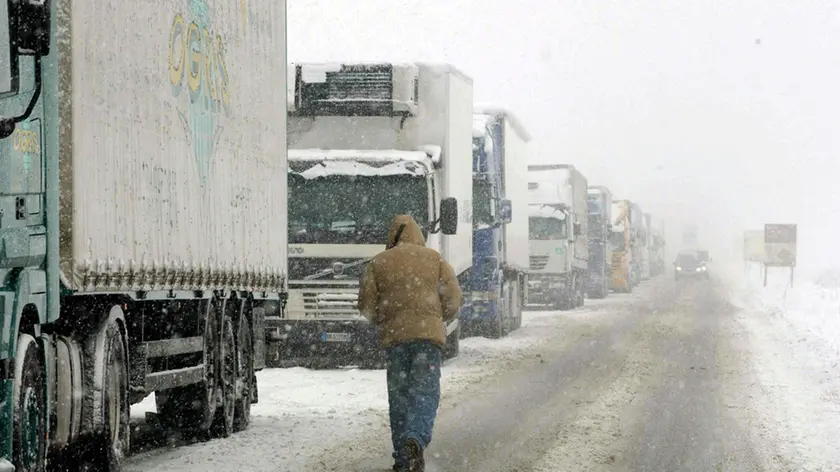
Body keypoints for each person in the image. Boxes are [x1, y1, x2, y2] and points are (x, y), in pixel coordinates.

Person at [358, 214, 462, 472]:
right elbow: (453, 297)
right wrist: (437, 318)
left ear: (391, 235)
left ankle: (403, 458)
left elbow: (366, 304)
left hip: (396, 339)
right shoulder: (434, 259)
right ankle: (416, 437)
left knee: (399, 397)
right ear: (418, 234)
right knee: (425, 391)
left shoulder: (379, 262)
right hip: (428, 338)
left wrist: (383, 319)